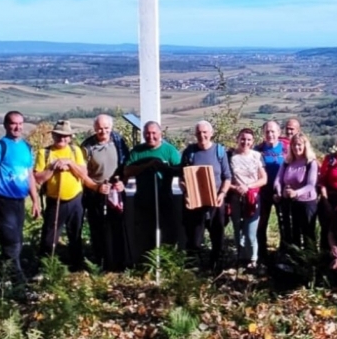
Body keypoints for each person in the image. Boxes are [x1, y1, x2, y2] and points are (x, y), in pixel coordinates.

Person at [0, 111, 41, 284]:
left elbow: (30, 176)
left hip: (19, 202)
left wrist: (35, 201)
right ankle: (19, 283)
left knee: (17, 242)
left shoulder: (27, 147)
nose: (18, 127)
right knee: (11, 243)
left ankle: (0, 280)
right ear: (6, 125)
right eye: (14, 123)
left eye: (20, 123)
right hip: (3, 201)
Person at [123, 121, 182, 266]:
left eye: (154, 133)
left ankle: (167, 263)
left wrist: (164, 168)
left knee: (167, 231)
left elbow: (180, 170)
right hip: (143, 199)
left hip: (165, 198)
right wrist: (146, 166)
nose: (151, 136)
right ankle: (146, 264)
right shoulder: (137, 151)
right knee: (144, 232)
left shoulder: (169, 150)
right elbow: (127, 171)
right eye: (147, 133)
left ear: (160, 133)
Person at [34, 120, 88, 271]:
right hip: (54, 200)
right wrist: (53, 168)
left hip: (76, 199)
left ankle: (77, 266)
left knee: (75, 234)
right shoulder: (44, 153)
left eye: (65, 136)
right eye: (58, 135)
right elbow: (38, 178)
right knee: (49, 236)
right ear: (53, 135)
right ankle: (45, 268)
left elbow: (84, 174)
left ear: (70, 137)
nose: (62, 138)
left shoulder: (76, 151)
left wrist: (70, 164)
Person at [180, 120, 232, 270]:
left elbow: (227, 177)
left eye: (205, 132)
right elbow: (182, 178)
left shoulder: (219, 151)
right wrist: (186, 194)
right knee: (194, 238)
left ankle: (215, 267)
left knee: (217, 236)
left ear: (211, 133)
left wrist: (222, 194)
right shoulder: (189, 152)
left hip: (216, 201)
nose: (202, 135)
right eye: (199, 133)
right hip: (195, 202)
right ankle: (194, 269)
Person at [80, 114, 130, 272]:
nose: (103, 131)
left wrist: (123, 182)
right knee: (98, 228)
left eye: (106, 128)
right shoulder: (87, 146)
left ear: (111, 127)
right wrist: (96, 187)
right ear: (94, 128)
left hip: (116, 191)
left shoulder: (119, 142)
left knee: (118, 226)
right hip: (96, 192)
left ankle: (119, 262)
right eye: (100, 128)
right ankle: (101, 262)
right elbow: (82, 174)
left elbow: (127, 166)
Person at [229, 128, 267, 269]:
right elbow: (225, 178)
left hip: (253, 198)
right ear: (237, 139)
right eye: (243, 139)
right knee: (237, 229)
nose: (245, 142)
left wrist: (248, 186)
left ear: (253, 141)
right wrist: (235, 188)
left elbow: (264, 179)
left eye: (249, 140)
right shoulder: (230, 156)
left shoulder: (257, 156)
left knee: (250, 232)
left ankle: (253, 259)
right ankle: (241, 257)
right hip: (235, 198)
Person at [274, 132, 319, 250]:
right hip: (290, 202)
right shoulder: (287, 162)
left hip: (307, 203)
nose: (296, 147)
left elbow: (311, 185)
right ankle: (295, 256)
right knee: (294, 232)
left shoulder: (310, 163)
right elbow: (278, 180)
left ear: (305, 146)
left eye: (299, 144)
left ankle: (310, 257)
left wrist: (296, 193)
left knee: (308, 233)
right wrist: (279, 192)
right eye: (294, 144)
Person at [255, 120, 288, 261]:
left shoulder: (286, 149)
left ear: (279, 133)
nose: (270, 134)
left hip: (282, 193)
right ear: (263, 133)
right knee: (261, 223)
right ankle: (262, 253)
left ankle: (284, 253)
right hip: (263, 193)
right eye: (267, 131)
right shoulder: (258, 150)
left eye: (273, 131)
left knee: (284, 224)